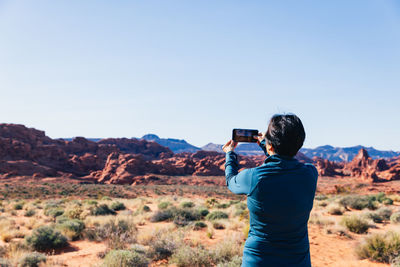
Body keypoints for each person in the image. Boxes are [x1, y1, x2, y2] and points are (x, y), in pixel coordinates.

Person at [222, 114, 318, 267]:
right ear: (299, 143)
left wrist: (230, 154)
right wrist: (266, 145)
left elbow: (231, 181)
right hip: (298, 261)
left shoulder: (253, 177)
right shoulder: (310, 173)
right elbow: (283, 163)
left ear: (271, 145)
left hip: (259, 260)